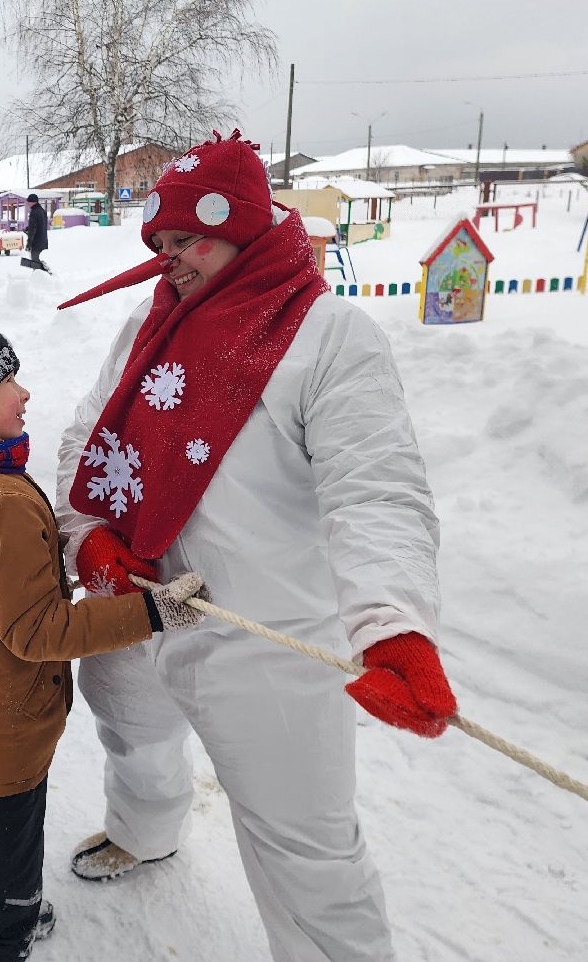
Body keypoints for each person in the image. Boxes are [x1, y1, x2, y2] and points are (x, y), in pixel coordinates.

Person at [53, 132, 454, 962]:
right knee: (131, 733)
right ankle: (146, 830)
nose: (169, 261)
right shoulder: (150, 318)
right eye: (158, 246)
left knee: (307, 843)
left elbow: (375, 487)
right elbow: (87, 431)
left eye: (183, 241)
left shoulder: (331, 335)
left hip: (267, 637)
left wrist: (393, 623)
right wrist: (88, 534)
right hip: (142, 601)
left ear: (241, 226)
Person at [0, 316, 205, 962]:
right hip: (1, 728)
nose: (24, 394)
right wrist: (154, 612)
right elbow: (38, 632)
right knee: (5, 862)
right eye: (6, 382)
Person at [20, 194, 49, 272]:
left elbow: (33, 230)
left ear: (33, 202)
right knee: (35, 259)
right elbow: (38, 225)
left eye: (29, 201)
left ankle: (44, 273)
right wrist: (28, 228)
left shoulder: (34, 212)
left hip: (37, 240)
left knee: (35, 260)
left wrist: (29, 244)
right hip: (42, 239)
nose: (28, 203)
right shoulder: (41, 210)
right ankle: (42, 272)